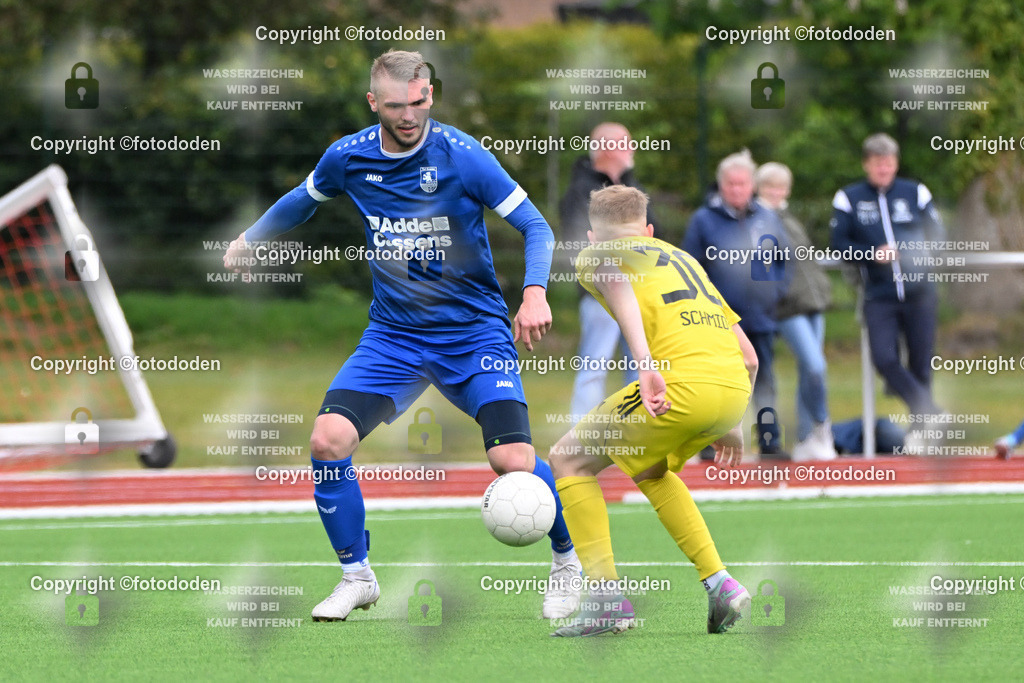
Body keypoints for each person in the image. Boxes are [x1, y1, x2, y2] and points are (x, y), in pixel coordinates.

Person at [223, 50, 581, 621]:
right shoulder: (348, 157)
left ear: (430, 94)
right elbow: (303, 200)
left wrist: (534, 292)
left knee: (513, 457)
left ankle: (568, 563)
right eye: (395, 106)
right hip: (394, 338)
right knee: (327, 441)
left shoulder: (464, 157)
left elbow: (534, 224)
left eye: (418, 102)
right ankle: (356, 575)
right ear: (374, 103)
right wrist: (252, 237)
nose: (408, 115)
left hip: (473, 335)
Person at [549, 186, 756, 637]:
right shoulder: (685, 259)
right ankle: (720, 582)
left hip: (676, 384)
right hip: (730, 391)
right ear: (648, 229)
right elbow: (751, 357)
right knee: (652, 470)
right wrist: (734, 422)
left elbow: (617, 280)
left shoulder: (599, 252)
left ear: (592, 235)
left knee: (568, 459)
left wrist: (644, 367)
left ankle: (605, 601)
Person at [830, 133, 945, 443]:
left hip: (920, 292)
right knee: (884, 357)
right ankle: (930, 410)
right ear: (867, 164)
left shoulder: (915, 192)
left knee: (921, 361)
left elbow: (938, 236)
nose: (884, 169)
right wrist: (871, 254)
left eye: (889, 163)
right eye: (878, 164)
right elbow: (839, 245)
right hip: (878, 295)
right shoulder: (848, 197)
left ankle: (921, 432)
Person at [683, 150, 788, 456]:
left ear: (752, 185)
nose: (737, 189)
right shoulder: (703, 220)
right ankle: (708, 446)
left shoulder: (768, 218)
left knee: (765, 382)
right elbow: (689, 267)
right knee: (714, 383)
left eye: (742, 183)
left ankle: (771, 443)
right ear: (721, 185)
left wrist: (774, 295)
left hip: (761, 317)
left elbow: (784, 261)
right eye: (730, 184)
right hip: (717, 321)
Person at [560, 122, 657, 419]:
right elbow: (580, 240)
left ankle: (639, 436)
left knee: (640, 365)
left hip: (640, 290)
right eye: (626, 143)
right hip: (600, 293)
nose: (632, 149)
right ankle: (580, 440)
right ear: (607, 148)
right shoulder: (579, 190)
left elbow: (655, 236)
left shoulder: (635, 187)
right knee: (594, 364)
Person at [755, 162, 837, 462]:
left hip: (812, 302)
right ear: (758, 188)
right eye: (768, 187)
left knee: (811, 370)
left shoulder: (789, 218)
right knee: (816, 366)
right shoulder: (758, 219)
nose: (775, 192)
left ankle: (806, 438)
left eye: (780, 187)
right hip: (787, 307)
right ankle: (822, 426)